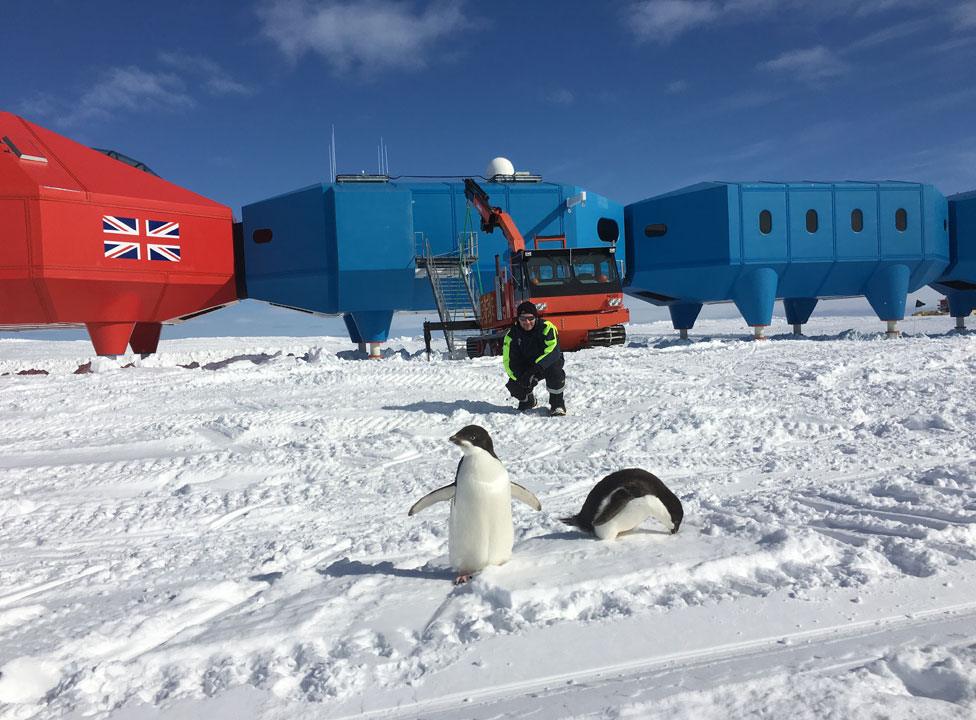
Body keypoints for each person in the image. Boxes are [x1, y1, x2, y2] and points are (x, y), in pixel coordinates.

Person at [503, 301, 566, 416]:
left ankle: (557, 404)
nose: (527, 322)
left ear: (536, 318)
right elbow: (509, 362)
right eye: (523, 319)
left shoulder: (547, 327)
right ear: (518, 319)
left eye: (530, 318)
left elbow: (553, 351)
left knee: (555, 371)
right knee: (514, 386)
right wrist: (520, 377)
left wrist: (535, 370)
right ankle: (528, 401)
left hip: (546, 364)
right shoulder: (511, 335)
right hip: (527, 367)